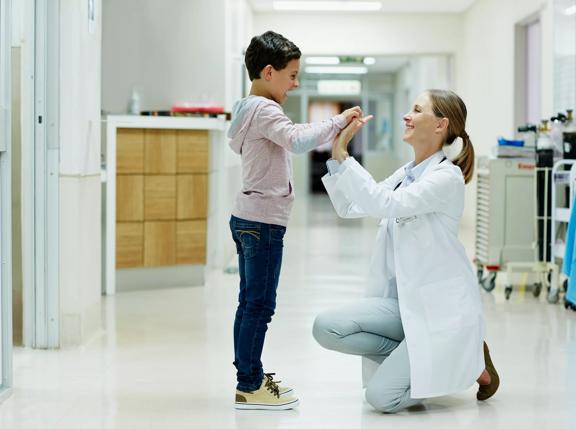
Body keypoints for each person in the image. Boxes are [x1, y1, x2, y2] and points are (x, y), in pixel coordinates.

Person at [312, 89, 500, 413]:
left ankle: (470, 363)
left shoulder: (446, 178)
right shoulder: (406, 174)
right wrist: (337, 152)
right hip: (407, 307)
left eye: (416, 109)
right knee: (326, 327)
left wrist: (345, 156)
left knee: (382, 398)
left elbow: (387, 204)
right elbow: (351, 206)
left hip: (441, 314)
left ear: (441, 125)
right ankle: (419, 355)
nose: (406, 115)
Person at [228, 30, 362, 410]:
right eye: (291, 75)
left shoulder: (247, 108)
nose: (295, 83)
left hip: (247, 217)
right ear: (268, 72)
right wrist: (338, 123)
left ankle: (248, 376)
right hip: (263, 222)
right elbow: (298, 140)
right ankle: (249, 385)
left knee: (249, 303)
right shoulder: (265, 109)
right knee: (259, 306)